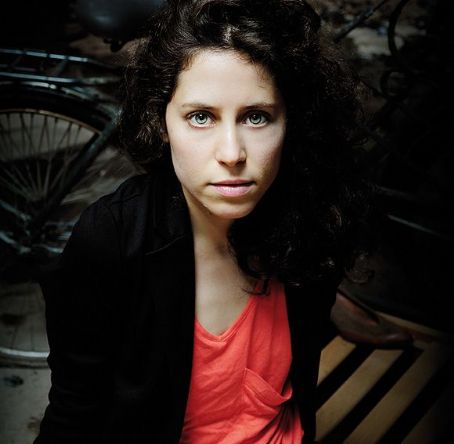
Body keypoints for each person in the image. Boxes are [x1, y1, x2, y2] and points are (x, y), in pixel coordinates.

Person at [35, 0, 370, 442]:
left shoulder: (313, 214)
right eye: (200, 117)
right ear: (161, 121)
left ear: (291, 121)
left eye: (256, 116)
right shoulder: (112, 238)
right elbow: (73, 412)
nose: (231, 153)